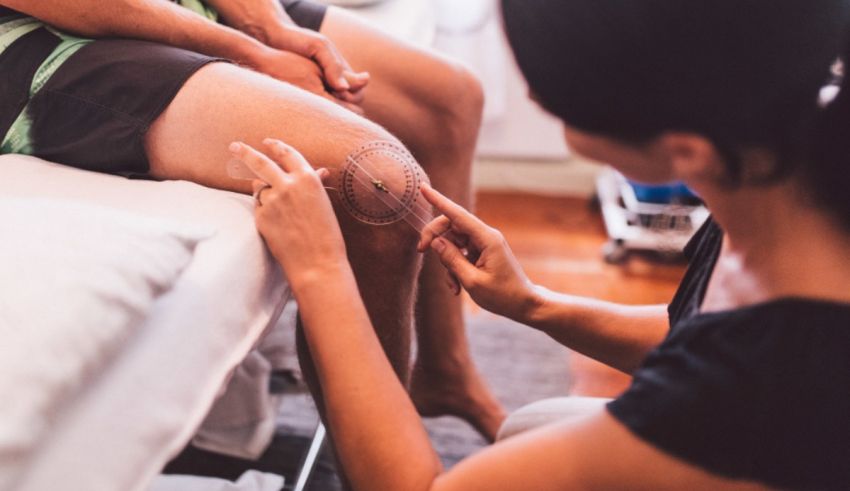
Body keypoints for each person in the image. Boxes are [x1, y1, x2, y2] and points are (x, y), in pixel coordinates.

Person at [238, 0, 850, 489]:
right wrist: (534, 304)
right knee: (532, 428)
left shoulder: (764, 387)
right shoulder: (785, 159)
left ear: (686, 152)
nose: (533, 96)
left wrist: (322, 270)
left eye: (553, 94)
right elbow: (694, 332)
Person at [0, 0, 505, 440]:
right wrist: (251, 53)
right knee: (373, 178)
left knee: (451, 97)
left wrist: (270, 26)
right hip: (36, 33)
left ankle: (445, 373)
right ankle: (379, 471)